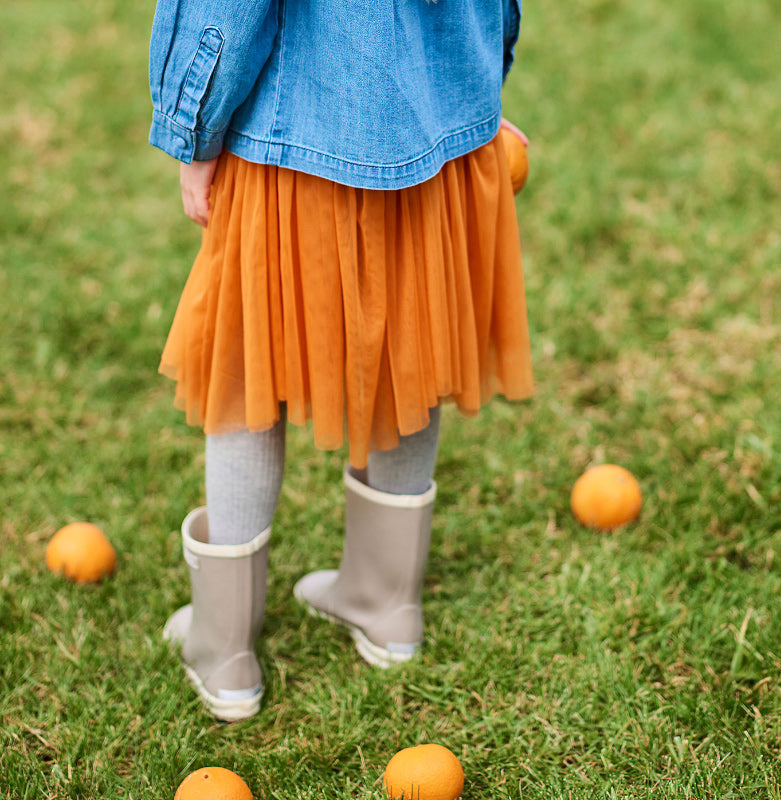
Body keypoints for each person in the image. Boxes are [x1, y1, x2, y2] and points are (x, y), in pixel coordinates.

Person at [148, 0, 534, 721]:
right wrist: (476, 90)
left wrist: (194, 131)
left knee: (245, 362)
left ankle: (225, 646)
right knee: (411, 346)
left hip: (289, 144)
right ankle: (385, 602)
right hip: (439, 133)